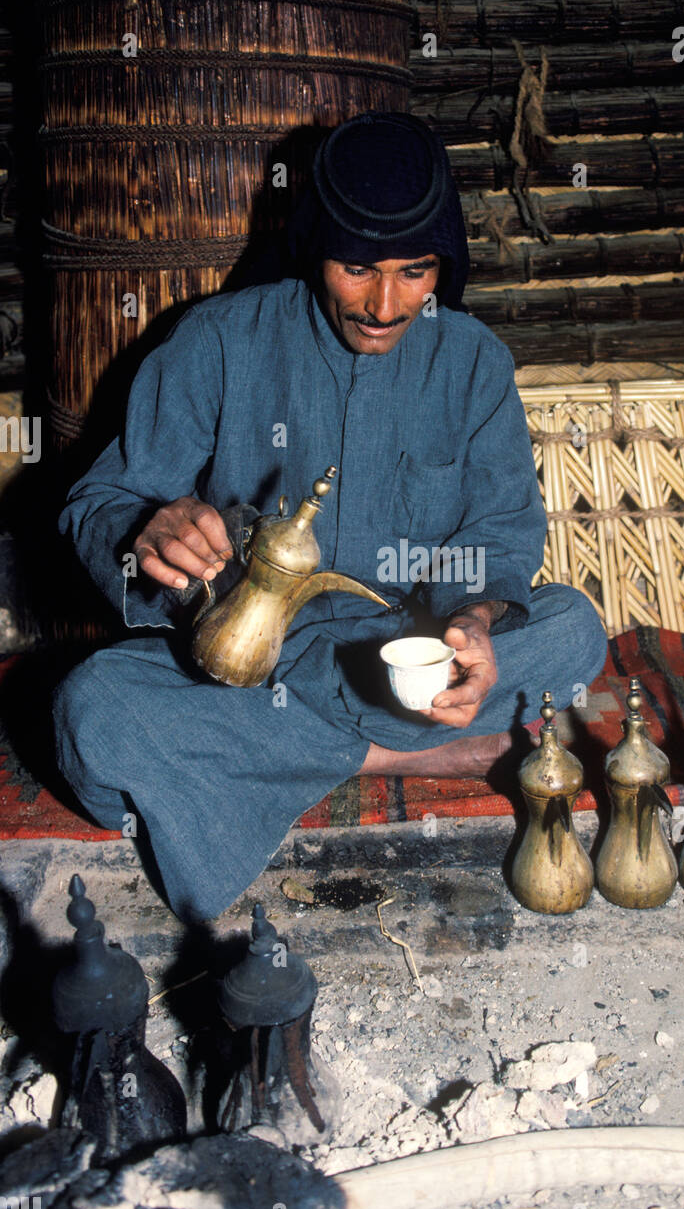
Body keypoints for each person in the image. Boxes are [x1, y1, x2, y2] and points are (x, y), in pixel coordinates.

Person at [53, 111, 608, 921]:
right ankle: (420, 754)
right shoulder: (217, 341)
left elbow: (500, 539)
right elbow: (97, 503)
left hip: (409, 660)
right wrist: (147, 528)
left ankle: (318, 755)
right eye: (356, 266)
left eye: (414, 271)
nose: (385, 304)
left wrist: (479, 625)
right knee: (92, 713)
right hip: (252, 665)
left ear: (442, 265)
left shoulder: (473, 363)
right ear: (315, 244)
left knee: (574, 631)